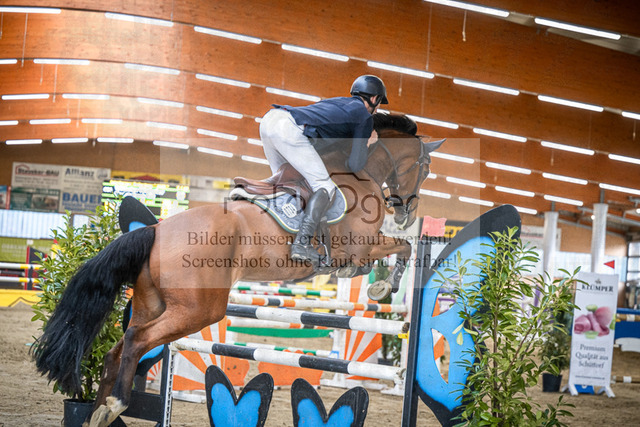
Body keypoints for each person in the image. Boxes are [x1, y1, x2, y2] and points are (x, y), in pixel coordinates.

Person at [258, 74, 388, 266]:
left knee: (286, 183)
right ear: (374, 98)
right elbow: (355, 165)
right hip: (288, 129)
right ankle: (302, 244)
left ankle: (275, 231)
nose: (377, 110)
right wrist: (367, 143)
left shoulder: (340, 102)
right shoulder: (364, 116)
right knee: (325, 187)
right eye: (379, 104)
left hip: (270, 120)